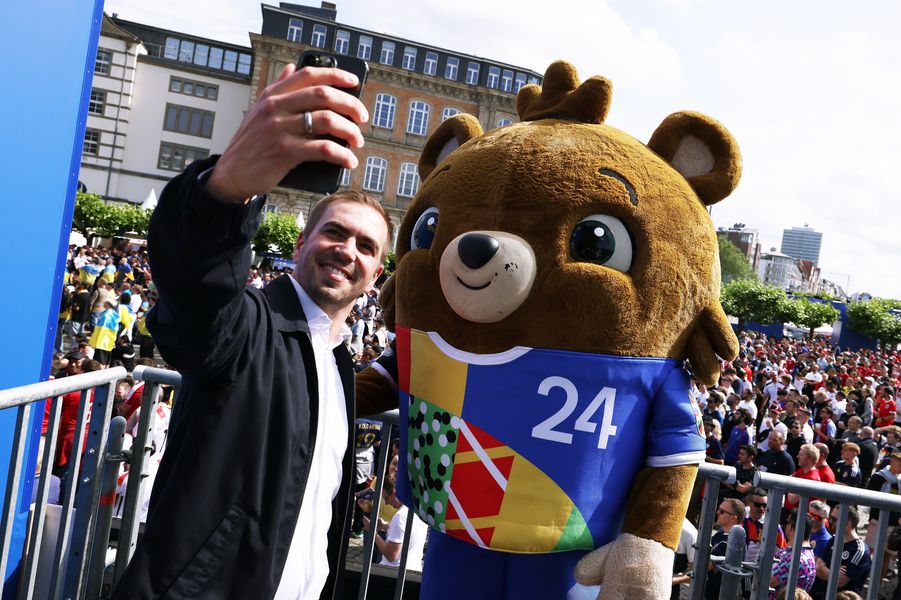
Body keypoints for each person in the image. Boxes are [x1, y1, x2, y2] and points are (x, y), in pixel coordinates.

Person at [112, 63, 391, 600]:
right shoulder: (249, 325)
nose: (346, 250)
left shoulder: (337, 366)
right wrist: (227, 192)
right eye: (334, 232)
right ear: (299, 244)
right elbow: (199, 290)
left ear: (375, 275)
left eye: (366, 246)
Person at [362, 474, 428, 571]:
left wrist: (373, 532)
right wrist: (386, 526)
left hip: (393, 574)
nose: (386, 502)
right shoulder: (419, 509)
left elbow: (391, 555)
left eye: (386, 498)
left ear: (394, 493)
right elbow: (407, 534)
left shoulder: (400, 517)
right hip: (413, 570)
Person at [810, 506, 870, 599]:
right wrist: (832, 572)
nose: (830, 522)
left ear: (847, 523)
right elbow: (817, 567)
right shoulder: (834, 539)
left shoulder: (859, 550)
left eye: (834, 519)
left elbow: (839, 582)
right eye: (830, 518)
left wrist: (823, 567)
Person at [770, 511, 816, 599]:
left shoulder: (793, 558)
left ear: (791, 526)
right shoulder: (809, 554)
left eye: (787, 522)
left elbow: (767, 581)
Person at [706, 498, 745, 600]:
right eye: (719, 509)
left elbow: (704, 566)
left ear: (733, 518)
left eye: (722, 511)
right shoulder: (720, 534)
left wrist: (677, 579)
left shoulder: (731, 542)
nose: (717, 512)